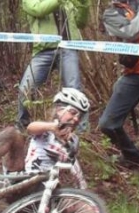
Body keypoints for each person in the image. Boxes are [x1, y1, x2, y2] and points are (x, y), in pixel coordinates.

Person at [0, 88, 89, 188]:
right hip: (22, 180)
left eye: (80, 116)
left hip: (46, 191)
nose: (76, 119)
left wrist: (83, 193)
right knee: (14, 134)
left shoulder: (72, 142)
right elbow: (31, 128)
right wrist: (53, 127)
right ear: (59, 109)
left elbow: (76, 172)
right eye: (73, 113)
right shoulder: (45, 129)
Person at [16, 0, 90, 132]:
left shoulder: (67, 3)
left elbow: (81, 23)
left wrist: (83, 4)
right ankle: (23, 127)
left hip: (68, 48)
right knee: (26, 88)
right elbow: (37, 10)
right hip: (44, 50)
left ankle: (79, 132)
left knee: (74, 90)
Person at [99, 0, 139, 167]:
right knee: (108, 124)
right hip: (133, 75)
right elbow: (130, 32)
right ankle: (133, 158)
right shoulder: (112, 13)